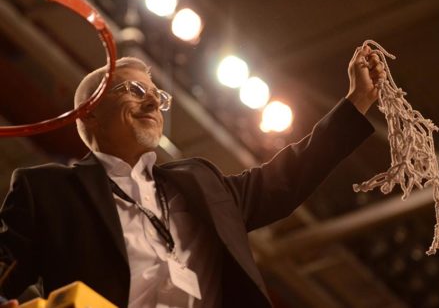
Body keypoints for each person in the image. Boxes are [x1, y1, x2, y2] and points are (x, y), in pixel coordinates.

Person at [0, 45, 385, 308]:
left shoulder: (200, 182)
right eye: (134, 90)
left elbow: (287, 178)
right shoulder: (47, 191)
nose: (153, 102)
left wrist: (358, 101)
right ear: (89, 111)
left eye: (158, 95)